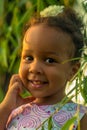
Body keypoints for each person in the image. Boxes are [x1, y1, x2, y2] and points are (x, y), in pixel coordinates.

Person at [0, 5, 87, 130]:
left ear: (72, 71)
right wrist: (6, 107)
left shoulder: (79, 115)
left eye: (49, 60)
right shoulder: (13, 112)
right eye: (28, 58)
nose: (34, 68)